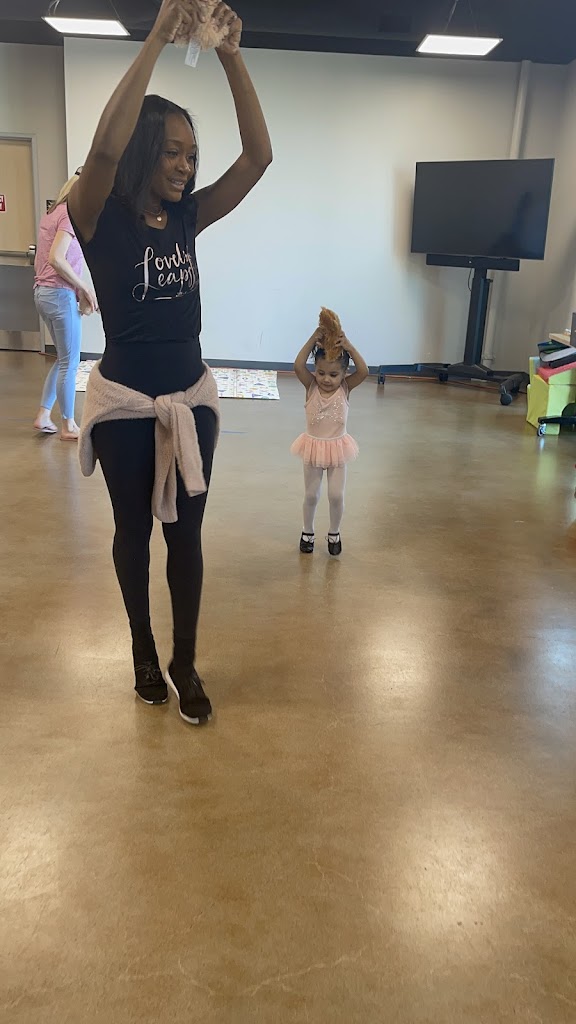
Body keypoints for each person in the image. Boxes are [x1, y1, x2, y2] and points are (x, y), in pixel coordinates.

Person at [68, 0, 272, 725]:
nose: (187, 166)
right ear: (144, 150)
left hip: (191, 402)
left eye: (192, 154)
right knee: (134, 534)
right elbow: (101, 153)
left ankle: (185, 660)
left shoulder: (187, 216)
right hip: (125, 408)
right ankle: (143, 652)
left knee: (187, 536)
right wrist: (158, 35)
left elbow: (258, 158)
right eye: (173, 152)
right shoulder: (97, 216)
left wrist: (230, 52)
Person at [292, 321, 369, 556]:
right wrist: (313, 338)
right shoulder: (311, 386)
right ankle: (307, 532)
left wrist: (349, 346)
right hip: (313, 448)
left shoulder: (345, 388)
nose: (326, 379)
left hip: (337, 449)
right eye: (321, 372)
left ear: (344, 374)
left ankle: (334, 533)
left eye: (334, 374)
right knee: (311, 494)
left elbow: (364, 372)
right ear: (315, 370)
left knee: (336, 495)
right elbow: (298, 365)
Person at [33, 169, 98, 440]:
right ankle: (69, 425)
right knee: (70, 362)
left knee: (62, 359)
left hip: (43, 294)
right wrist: (84, 287)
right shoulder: (70, 217)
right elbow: (56, 258)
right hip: (59, 295)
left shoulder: (53, 214)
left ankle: (43, 415)